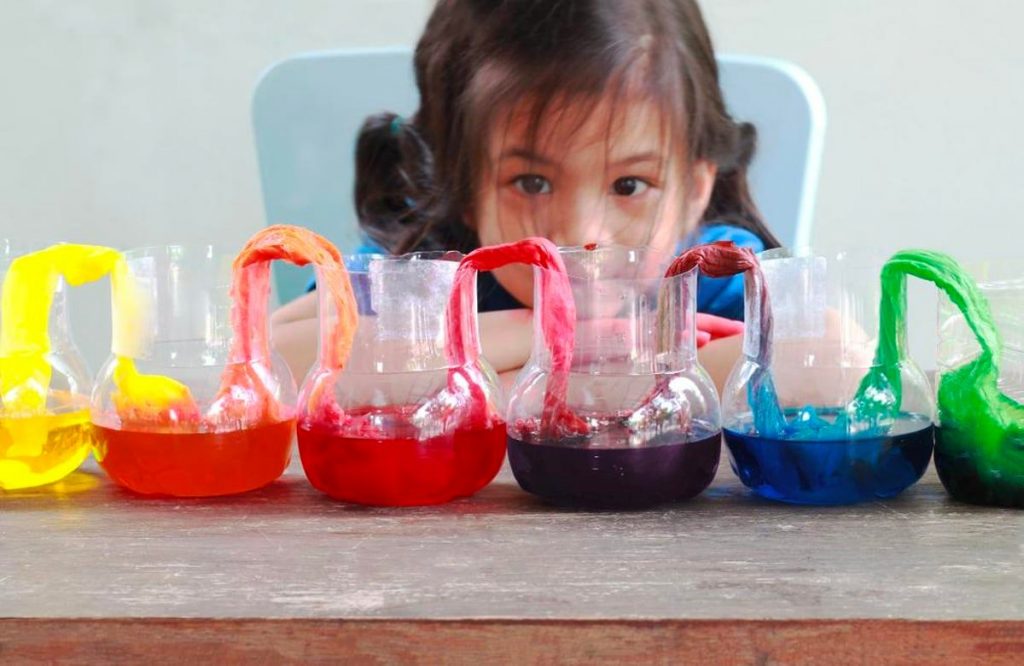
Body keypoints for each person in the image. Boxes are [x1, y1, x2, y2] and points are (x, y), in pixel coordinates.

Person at [272, 0, 779, 390]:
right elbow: (276, 355)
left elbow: (828, 361)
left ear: (694, 191)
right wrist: (554, 338)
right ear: (464, 185)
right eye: (532, 182)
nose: (582, 234)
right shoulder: (420, 273)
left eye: (629, 185)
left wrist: (491, 381)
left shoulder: (707, 275)